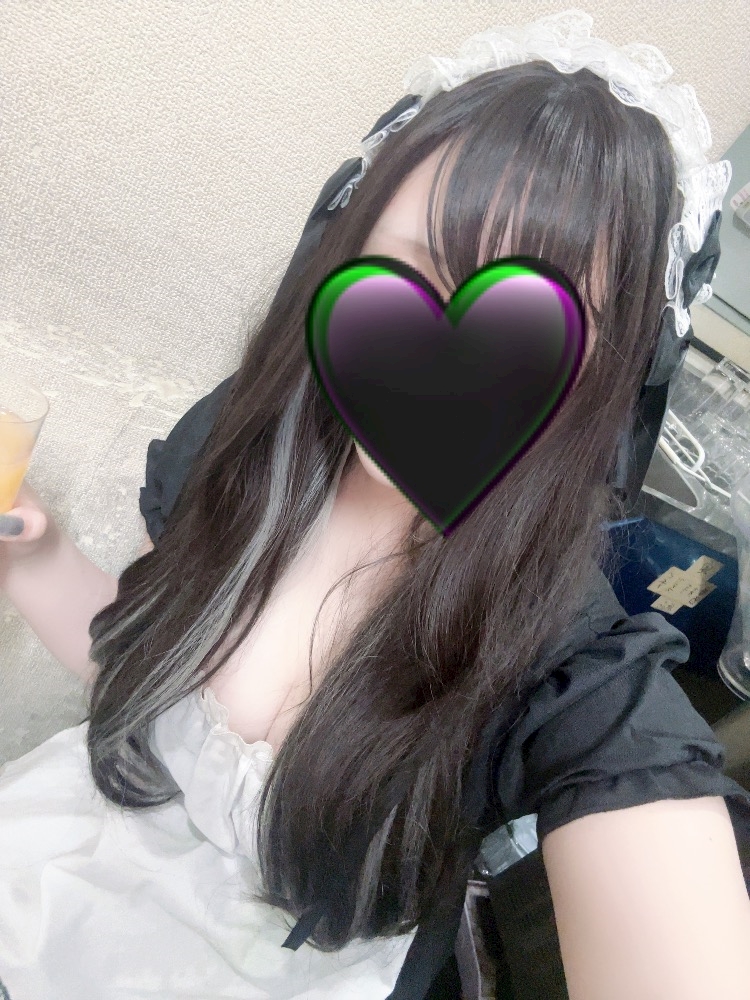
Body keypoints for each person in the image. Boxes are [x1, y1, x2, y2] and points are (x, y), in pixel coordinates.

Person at [1, 10, 750, 1000]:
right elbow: (138, 675)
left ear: (613, 374)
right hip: (59, 874)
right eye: (410, 269)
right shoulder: (238, 445)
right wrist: (30, 549)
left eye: (533, 326)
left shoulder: (565, 661)